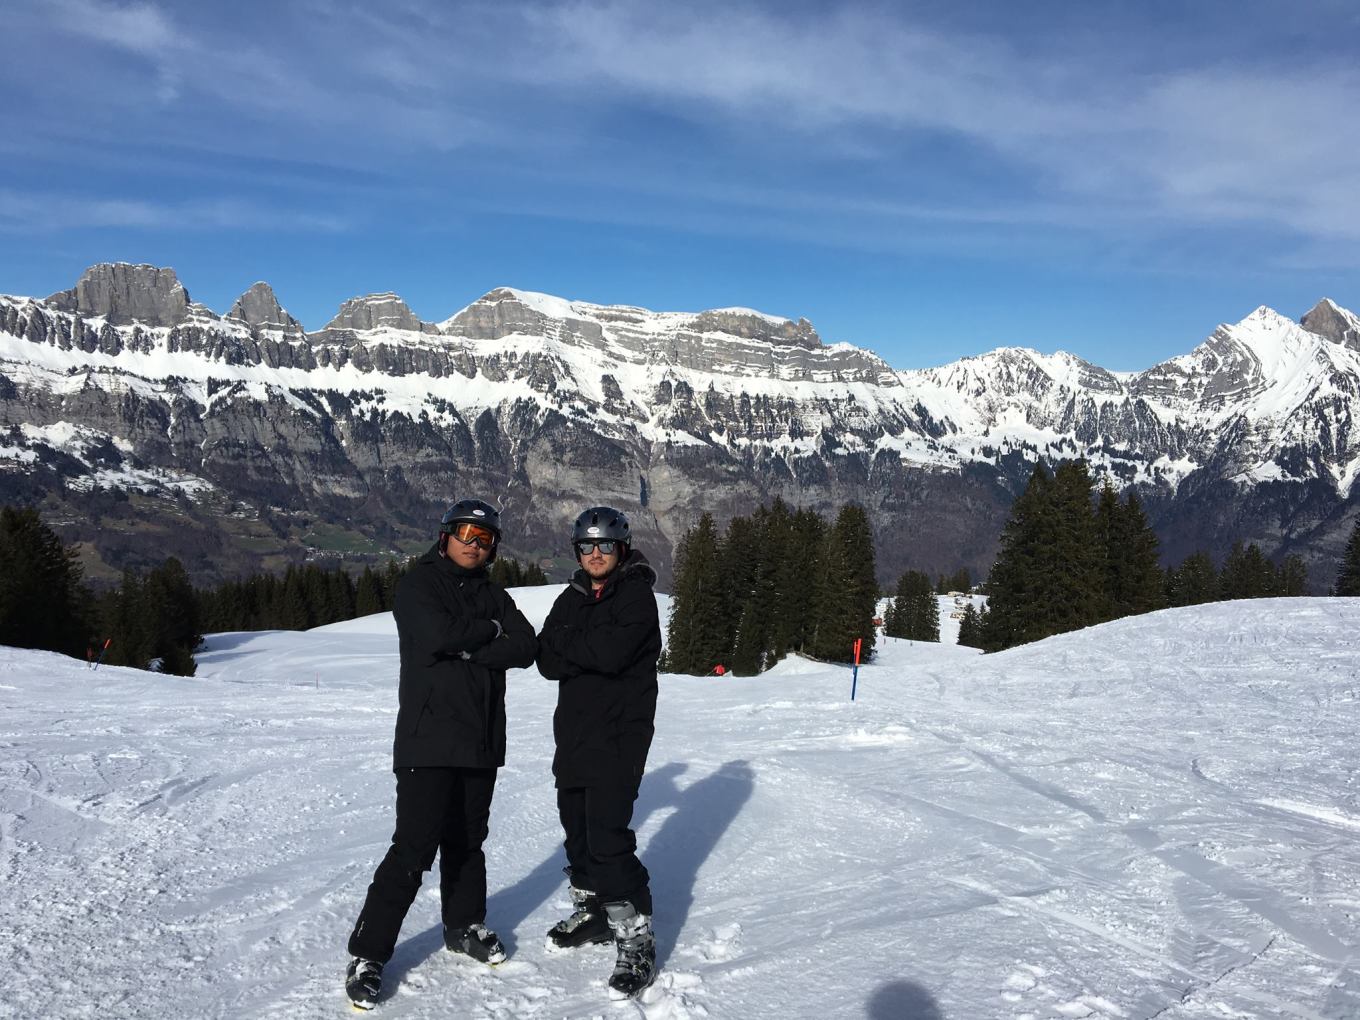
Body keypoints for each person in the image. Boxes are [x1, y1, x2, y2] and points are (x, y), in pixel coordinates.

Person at [345, 499, 537, 1010]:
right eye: (467, 533)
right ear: (446, 534)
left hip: (480, 740)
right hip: (427, 740)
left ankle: (464, 926)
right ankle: (368, 955)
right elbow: (433, 635)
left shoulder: (494, 594)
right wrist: (488, 632)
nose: (475, 544)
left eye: (486, 538)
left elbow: (526, 647)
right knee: (412, 850)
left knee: (468, 842)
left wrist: (474, 643)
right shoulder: (419, 584)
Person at [535, 505, 663, 1000]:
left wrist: (573, 643)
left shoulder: (637, 596)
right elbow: (546, 659)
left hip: (620, 736)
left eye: (604, 546)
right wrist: (579, 644)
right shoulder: (572, 595)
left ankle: (636, 937)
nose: (594, 555)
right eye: (586, 547)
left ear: (621, 548)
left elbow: (611, 655)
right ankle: (594, 912)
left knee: (608, 839)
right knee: (577, 833)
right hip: (574, 734)